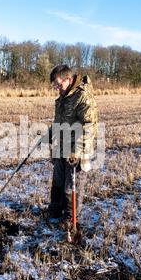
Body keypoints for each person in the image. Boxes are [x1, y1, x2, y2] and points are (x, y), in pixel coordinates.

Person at [41, 65, 99, 238]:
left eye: (58, 84)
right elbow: (59, 122)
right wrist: (48, 135)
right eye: (54, 86)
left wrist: (78, 151)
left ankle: (70, 218)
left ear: (68, 78)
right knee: (57, 181)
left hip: (77, 151)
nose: (56, 88)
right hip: (61, 147)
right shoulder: (63, 98)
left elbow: (89, 126)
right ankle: (55, 210)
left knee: (70, 187)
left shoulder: (82, 96)